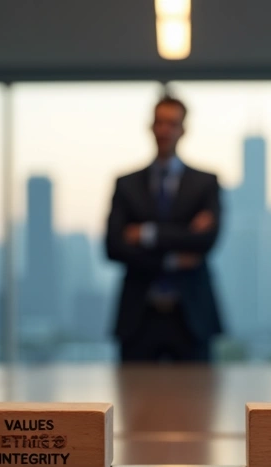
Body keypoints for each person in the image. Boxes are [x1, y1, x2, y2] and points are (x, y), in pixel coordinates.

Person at [105, 95, 223, 362]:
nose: (165, 130)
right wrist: (174, 255)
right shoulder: (126, 184)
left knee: (197, 389)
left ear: (183, 129)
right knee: (133, 389)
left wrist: (147, 234)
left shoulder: (205, 183)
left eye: (172, 123)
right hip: (138, 315)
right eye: (160, 123)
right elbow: (113, 246)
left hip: (192, 314)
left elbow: (206, 241)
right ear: (150, 127)